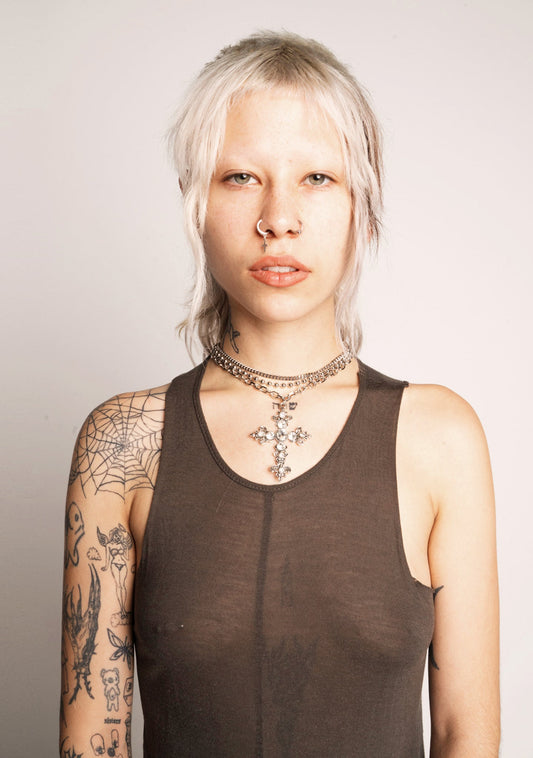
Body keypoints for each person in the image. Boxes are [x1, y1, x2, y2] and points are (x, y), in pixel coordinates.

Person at [60, 31, 500, 758]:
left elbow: (466, 735)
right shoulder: (122, 443)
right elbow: (90, 743)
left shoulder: (440, 438)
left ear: (363, 205)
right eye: (240, 177)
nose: (278, 218)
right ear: (194, 202)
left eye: (317, 178)